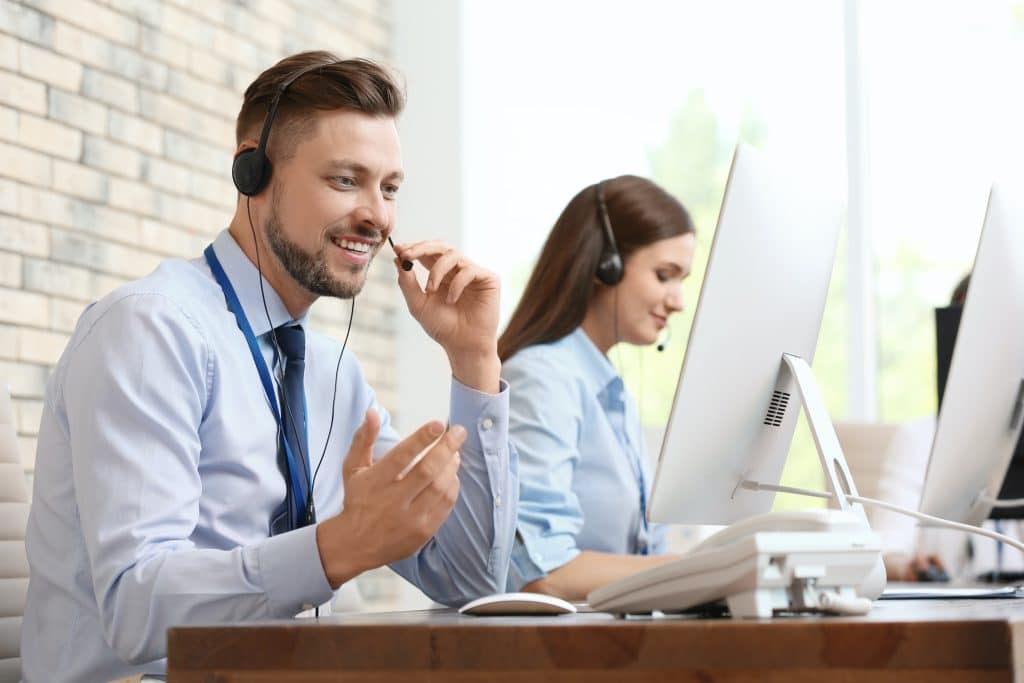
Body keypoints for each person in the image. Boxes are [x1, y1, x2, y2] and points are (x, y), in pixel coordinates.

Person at [21, 52, 517, 682]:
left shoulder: (332, 377)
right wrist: (344, 545)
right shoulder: (152, 330)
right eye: (346, 180)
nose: (379, 215)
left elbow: (469, 579)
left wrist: (473, 359)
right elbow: (138, 611)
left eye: (390, 187)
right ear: (252, 171)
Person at [498, 176, 696, 599]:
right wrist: (690, 569)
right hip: (559, 651)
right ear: (606, 265)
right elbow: (542, 571)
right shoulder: (543, 379)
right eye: (665, 276)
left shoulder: (607, 389)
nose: (678, 300)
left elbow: (645, 556)